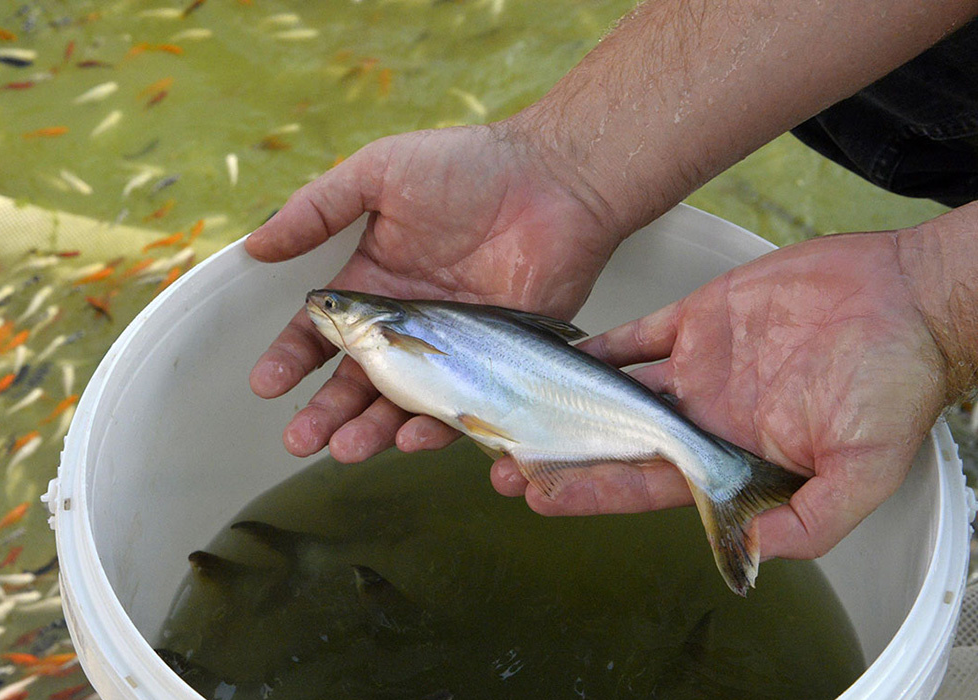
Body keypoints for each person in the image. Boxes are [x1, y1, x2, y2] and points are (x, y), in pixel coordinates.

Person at [244, 0, 978, 564]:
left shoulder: (391, 329)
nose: (324, 307)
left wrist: (943, 303)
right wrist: (565, 169)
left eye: (336, 307)